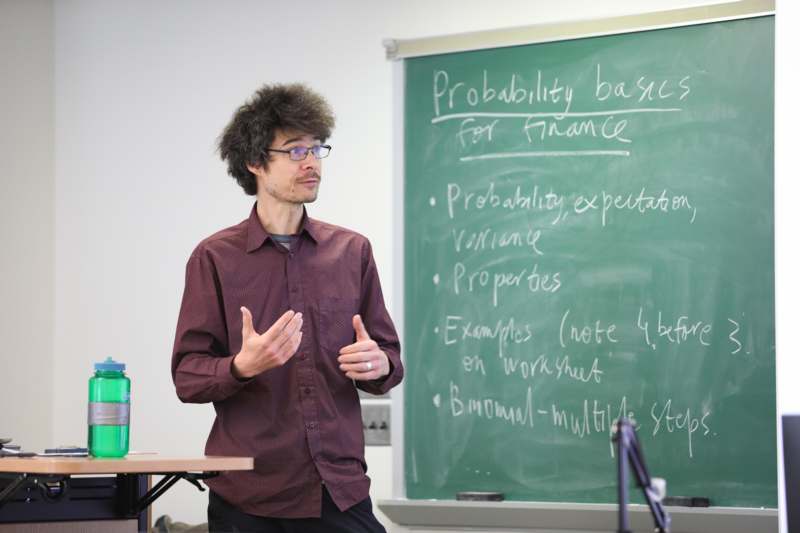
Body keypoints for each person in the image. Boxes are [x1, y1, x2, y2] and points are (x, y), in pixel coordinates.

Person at [171, 83, 403, 533]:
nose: (312, 162)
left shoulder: (352, 251)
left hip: (337, 487)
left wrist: (379, 364)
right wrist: (241, 366)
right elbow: (187, 376)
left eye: (317, 148)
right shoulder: (214, 258)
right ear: (255, 162)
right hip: (249, 495)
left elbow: (389, 360)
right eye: (296, 150)